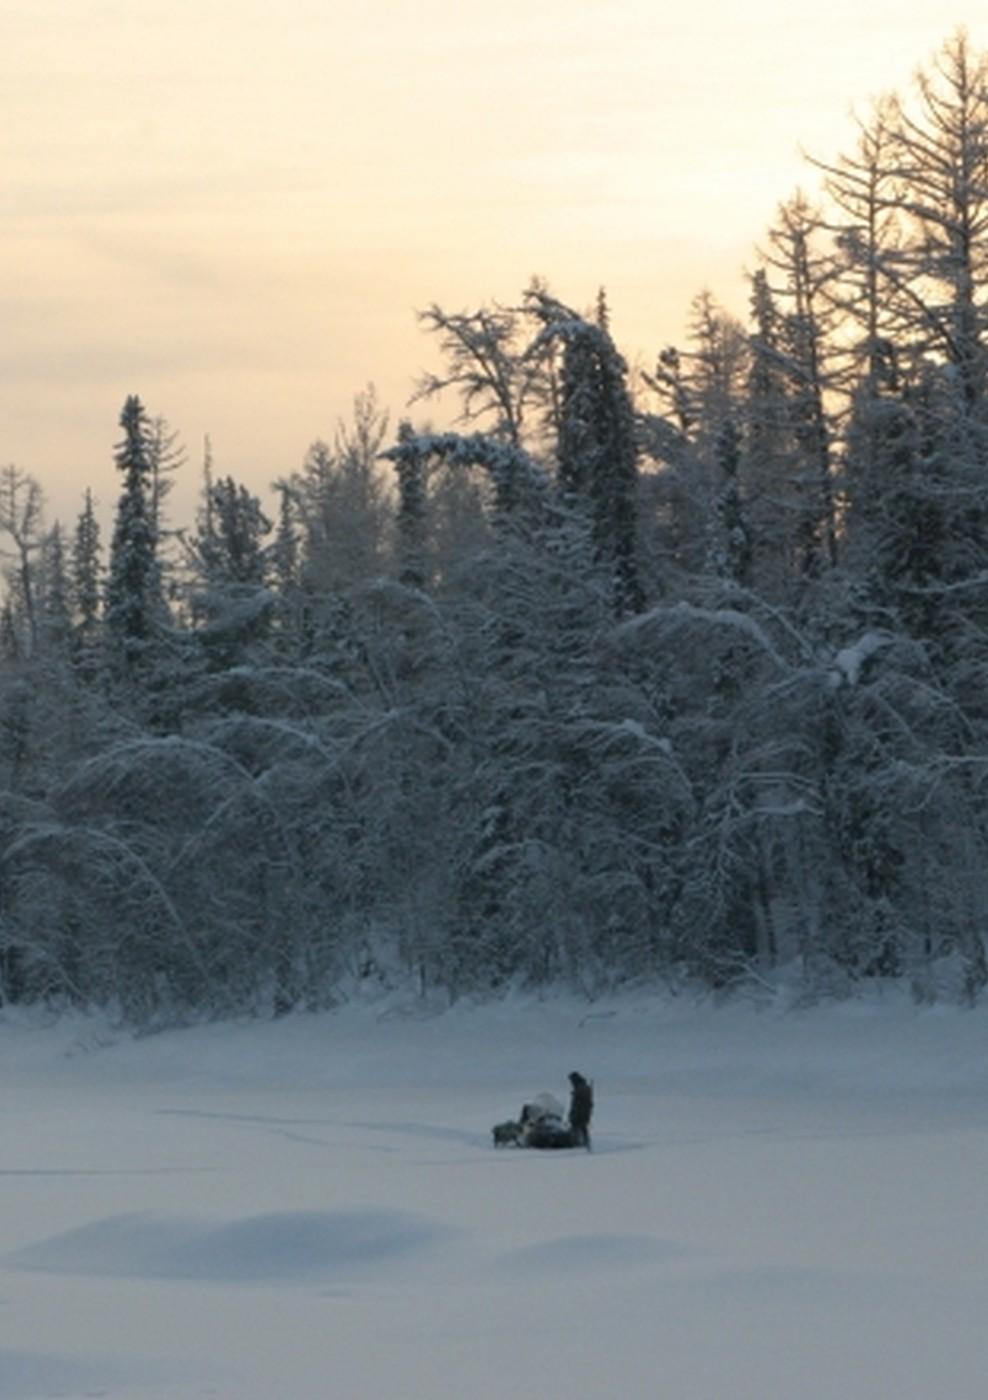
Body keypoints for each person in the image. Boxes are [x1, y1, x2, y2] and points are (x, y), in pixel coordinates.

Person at [568, 1071, 593, 1150]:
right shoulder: (582, 1087)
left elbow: (581, 1104)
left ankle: (580, 1145)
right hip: (580, 1114)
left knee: (580, 1129)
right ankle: (584, 1144)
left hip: (580, 1114)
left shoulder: (582, 1088)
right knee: (581, 1129)